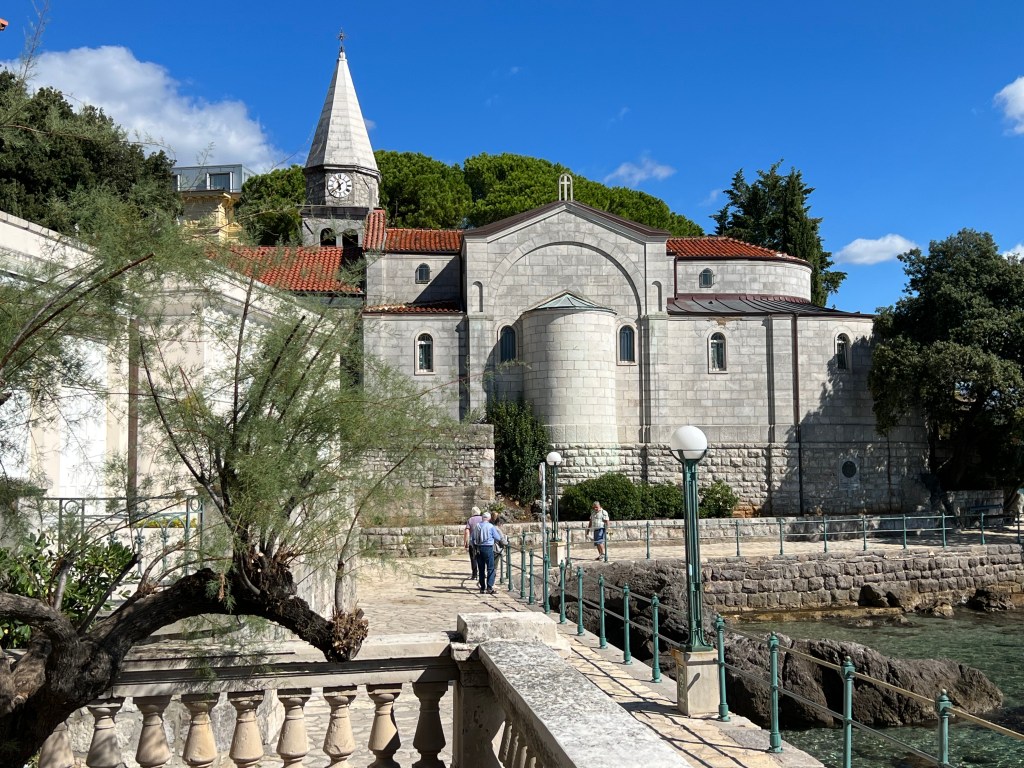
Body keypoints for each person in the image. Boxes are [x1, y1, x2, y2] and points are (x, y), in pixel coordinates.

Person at [472, 510, 506, 594]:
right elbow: (497, 537)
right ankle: (489, 587)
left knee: (481, 568)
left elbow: (473, 538)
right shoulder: (491, 526)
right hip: (488, 548)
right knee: (490, 568)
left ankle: (482, 587)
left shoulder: (477, 526)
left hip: (479, 548)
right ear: (489, 519)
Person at [464, 506, 484, 580]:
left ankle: (474, 574)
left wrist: (466, 542)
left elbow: (467, 531)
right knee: (482, 558)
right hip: (482, 542)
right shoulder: (483, 518)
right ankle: (482, 573)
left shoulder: (470, 519)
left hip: (472, 542)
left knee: (473, 558)